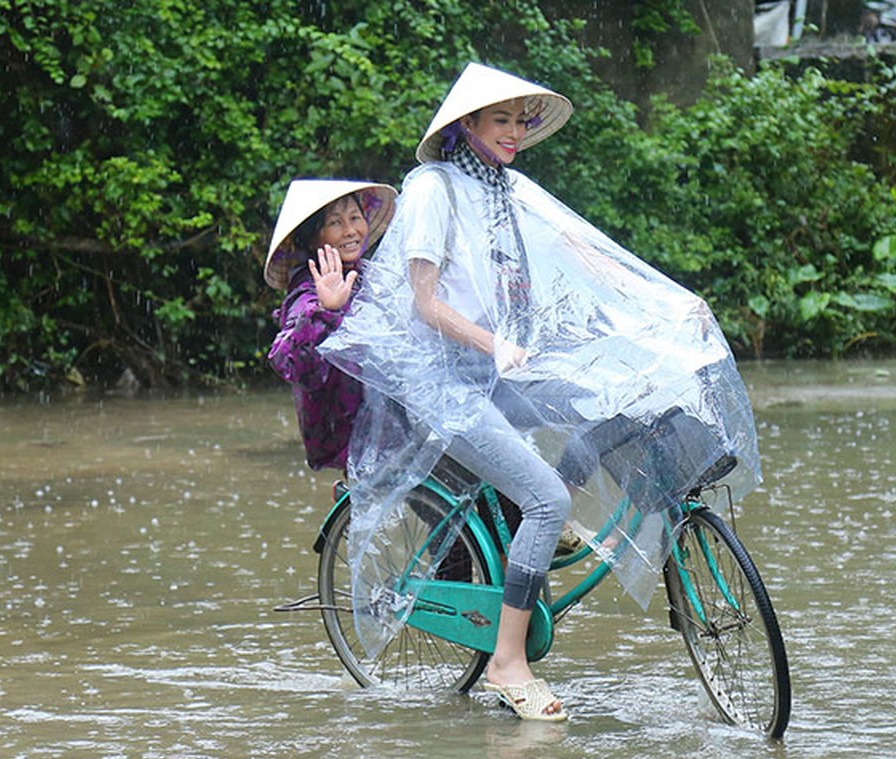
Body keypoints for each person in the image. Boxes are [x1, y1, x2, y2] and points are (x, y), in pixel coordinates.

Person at [320, 64, 761, 723]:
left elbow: (587, 255)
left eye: (521, 120)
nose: (514, 132)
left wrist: (670, 305)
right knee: (547, 496)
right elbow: (424, 304)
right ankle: (507, 661)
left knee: (610, 403)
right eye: (500, 119)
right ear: (465, 125)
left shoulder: (507, 190)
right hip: (441, 388)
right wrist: (492, 343)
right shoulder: (433, 187)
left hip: (494, 376)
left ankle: (541, 530)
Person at [264, 180, 396, 472]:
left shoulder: (363, 275)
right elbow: (288, 360)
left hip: (386, 419)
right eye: (335, 223)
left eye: (354, 218)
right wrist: (327, 309)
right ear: (314, 239)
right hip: (354, 434)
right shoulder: (308, 290)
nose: (350, 231)